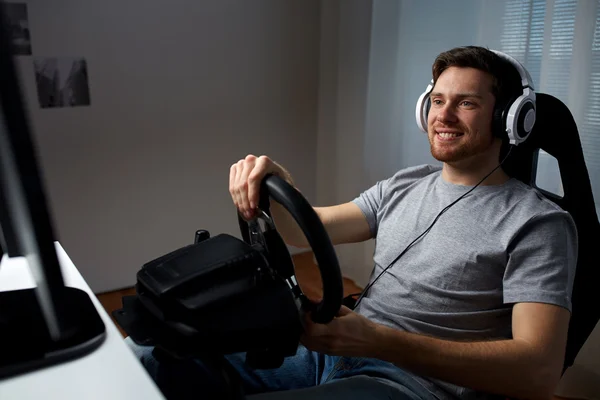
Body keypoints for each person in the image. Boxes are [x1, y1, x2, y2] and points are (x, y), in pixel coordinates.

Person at [126, 46, 577, 400]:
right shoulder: (405, 185)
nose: (444, 115)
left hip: (412, 385)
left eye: (467, 104)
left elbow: (536, 373)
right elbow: (304, 229)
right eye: (438, 100)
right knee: (150, 357)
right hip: (332, 351)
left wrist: (378, 341)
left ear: (508, 119)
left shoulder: (538, 224)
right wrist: (275, 181)